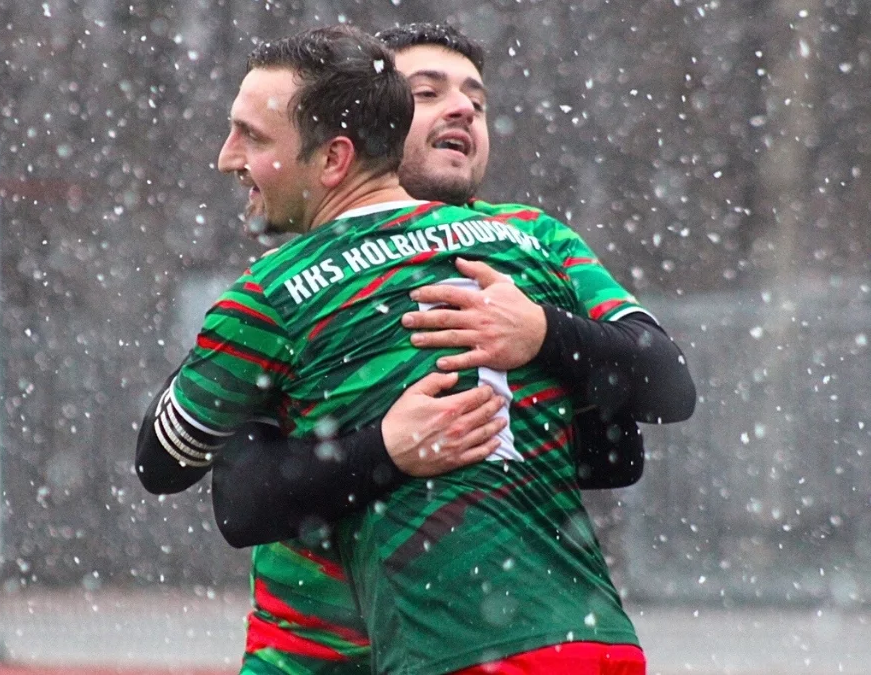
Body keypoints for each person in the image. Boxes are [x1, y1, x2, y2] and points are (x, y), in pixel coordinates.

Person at [136, 24, 693, 674]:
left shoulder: (532, 241)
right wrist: (386, 449)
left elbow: (631, 429)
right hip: (345, 654)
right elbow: (241, 497)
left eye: (476, 100)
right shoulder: (289, 291)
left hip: (464, 643)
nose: (461, 110)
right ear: (374, 121)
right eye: (426, 92)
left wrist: (544, 334)